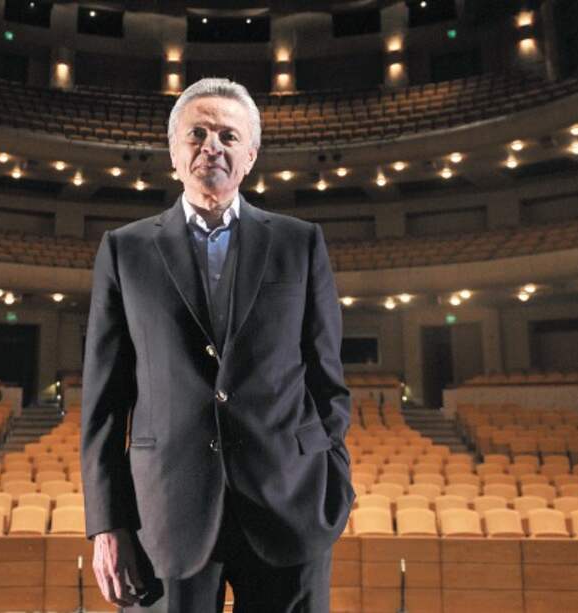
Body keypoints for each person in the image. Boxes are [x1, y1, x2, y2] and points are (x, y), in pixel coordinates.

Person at [81, 77, 353, 612]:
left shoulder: (300, 243)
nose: (213, 147)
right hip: (165, 514)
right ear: (174, 154)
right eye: (198, 134)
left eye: (229, 136)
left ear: (250, 155)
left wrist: (331, 476)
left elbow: (327, 379)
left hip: (289, 505)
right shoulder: (124, 250)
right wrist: (107, 523)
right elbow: (104, 402)